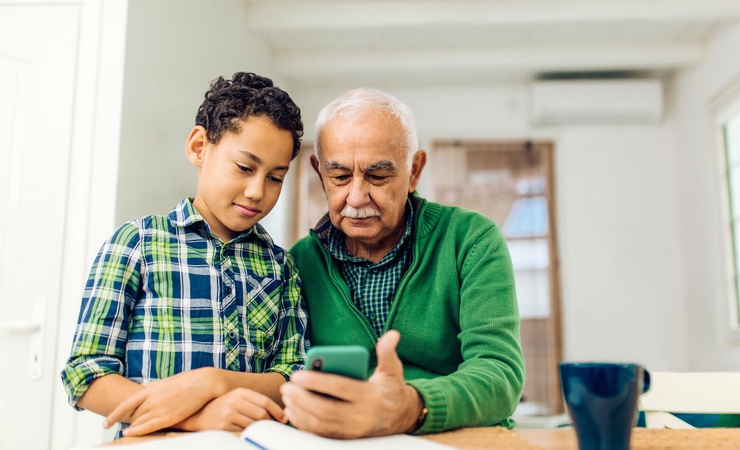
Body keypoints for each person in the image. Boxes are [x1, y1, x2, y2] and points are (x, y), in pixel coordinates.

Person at [60, 72, 308, 437]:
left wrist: (215, 382)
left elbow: (293, 376)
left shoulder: (281, 267)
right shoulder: (137, 243)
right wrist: (196, 419)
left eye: (275, 177)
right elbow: (85, 373)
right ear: (198, 147)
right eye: (244, 167)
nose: (257, 191)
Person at [281, 88, 524, 438]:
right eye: (340, 176)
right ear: (319, 172)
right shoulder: (298, 263)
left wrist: (408, 407)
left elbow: (500, 374)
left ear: (415, 171)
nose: (356, 196)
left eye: (377, 176)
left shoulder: (471, 240)